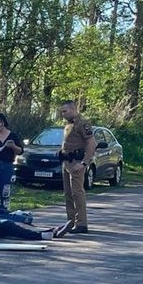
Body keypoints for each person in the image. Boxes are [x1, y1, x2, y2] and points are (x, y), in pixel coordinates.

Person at [58, 100, 93, 234]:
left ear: (73, 109)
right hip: (66, 162)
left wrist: (83, 163)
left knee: (77, 193)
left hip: (76, 162)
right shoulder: (68, 125)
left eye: (65, 111)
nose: (63, 114)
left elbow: (91, 144)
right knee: (68, 194)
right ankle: (70, 222)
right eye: (62, 111)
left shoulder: (82, 123)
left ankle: (82, 224)